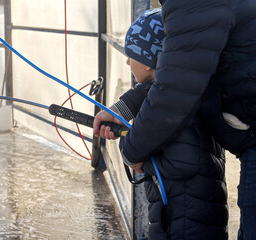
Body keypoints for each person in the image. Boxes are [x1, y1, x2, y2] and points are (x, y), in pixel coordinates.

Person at [94, 9, 228, 239]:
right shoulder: (183, 93)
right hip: (183, 215)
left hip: (187, 224)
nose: (127, 60)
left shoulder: (175, 110)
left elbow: (186, 162)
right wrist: (123, 109)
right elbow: (155, 90)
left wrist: (143, 162)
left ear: (148, 62)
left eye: (132, 54)